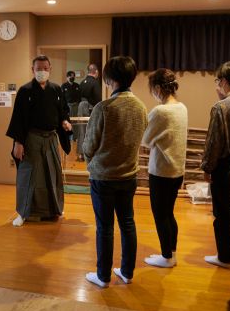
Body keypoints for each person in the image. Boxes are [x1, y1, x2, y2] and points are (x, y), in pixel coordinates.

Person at [82, 56, 148, 288]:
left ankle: (103, 276)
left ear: (109, 79)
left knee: (105, 227)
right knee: (127, 223)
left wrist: (92, 162)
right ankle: (127, 272)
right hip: (129, 175)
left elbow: (88, 145)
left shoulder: (104, 107)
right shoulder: (141, 107)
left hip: (103, 177)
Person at [6, 55, 73, 227]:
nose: (42, 71)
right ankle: (23, 212)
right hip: (31, 139)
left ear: (50, 69)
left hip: (51, 138)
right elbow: (18, 119)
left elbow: (63, 111)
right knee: (28, 175)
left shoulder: (56, 90)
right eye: (38, 68)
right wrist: (18, 143)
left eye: (45, 68)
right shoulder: (25, 90)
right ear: (32, 70)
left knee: (53, 174)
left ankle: (54, 209)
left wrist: (64, 121)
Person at [201, 61, 230, 269]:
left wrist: (207, 167)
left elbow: (214, 142)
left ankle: (224, 257)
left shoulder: (220, 107)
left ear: (222, 81)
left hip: (225, 167)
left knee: (222, 215)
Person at [141, 68, 188, 268]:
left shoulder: (160, 111)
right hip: (177, 170)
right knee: (169, 213)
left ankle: (166, 256)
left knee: (161, 215)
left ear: (158, 88)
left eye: (152, 88)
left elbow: (145, 139)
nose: (152, 92)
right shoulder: (182, 107)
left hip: (161, 171)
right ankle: (171, 253)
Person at [77, 64, 102, 161]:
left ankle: (80, 154)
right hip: (89, 109)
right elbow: (98, 99)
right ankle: (89, 153)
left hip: (80, 107)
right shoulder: (95, 82)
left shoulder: (82, 82)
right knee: (90, 131)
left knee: (81, 131)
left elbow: (78, 97)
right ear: (95, 72)